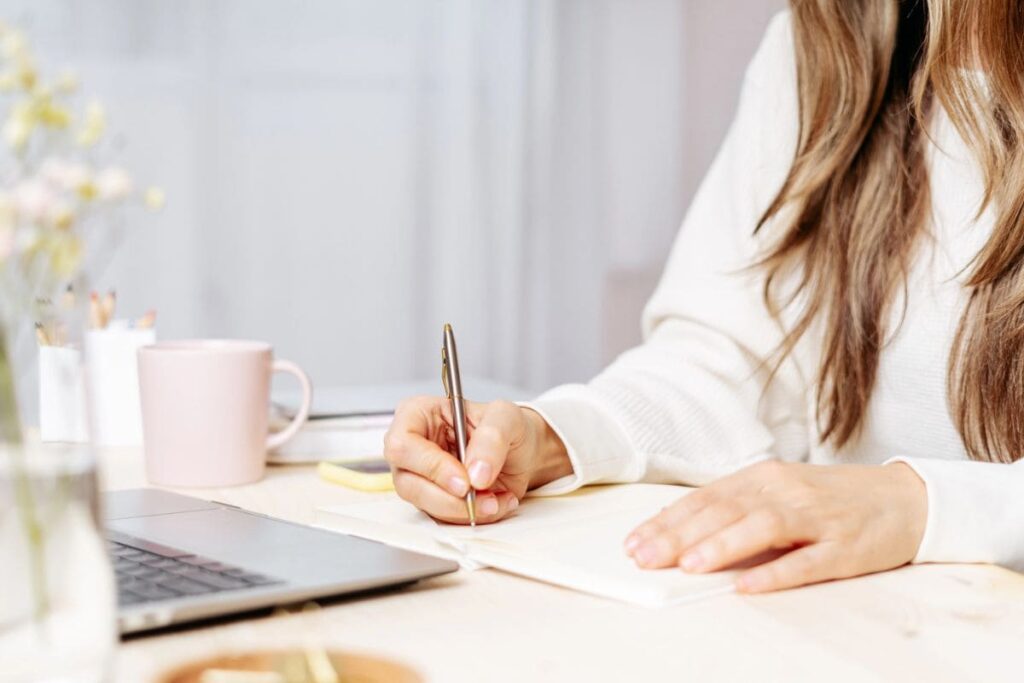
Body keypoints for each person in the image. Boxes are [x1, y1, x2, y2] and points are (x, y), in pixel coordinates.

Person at [383, 1, 1024, 594]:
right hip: (859, 625)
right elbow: (727, 360)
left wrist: (915, 505)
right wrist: (553, 437)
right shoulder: (823, 48)